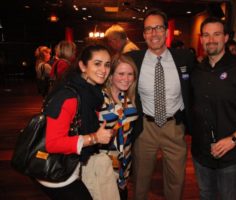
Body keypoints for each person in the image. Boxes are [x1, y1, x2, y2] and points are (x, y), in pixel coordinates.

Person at [191, 17, 236, 200]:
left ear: (225, 37)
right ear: (201, 39)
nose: (211, 40)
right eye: (206, 35)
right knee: (205, 195)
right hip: (201, 154)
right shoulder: (197, 71)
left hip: (231, 155)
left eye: (216, 34)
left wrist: (233, 139)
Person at [127, 9, 194, 200]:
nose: (153, 33)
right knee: (140, 179)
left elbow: (195, 88)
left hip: (174, 127)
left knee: (176, 179)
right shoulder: (134, 60)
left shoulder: (184, 58)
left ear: (166, 31)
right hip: (145, 128)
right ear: (143, 34)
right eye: (148, 29)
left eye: (158, 28)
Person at [36, 44, 113, 200]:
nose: (103, 70)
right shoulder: (69, 96)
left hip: (70, 165)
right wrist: (95, 138)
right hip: (55, 171)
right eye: (97, 64)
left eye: (107, 65)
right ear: (83, 66)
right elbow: (53, 143)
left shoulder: (89, 91)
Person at [97, 54, 138, 200]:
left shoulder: (129, 97)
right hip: (102, 163)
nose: (126, 79)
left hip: (125, 161)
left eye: (130, 74)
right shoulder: (98, 97)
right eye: (121, 73)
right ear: (110, 75)